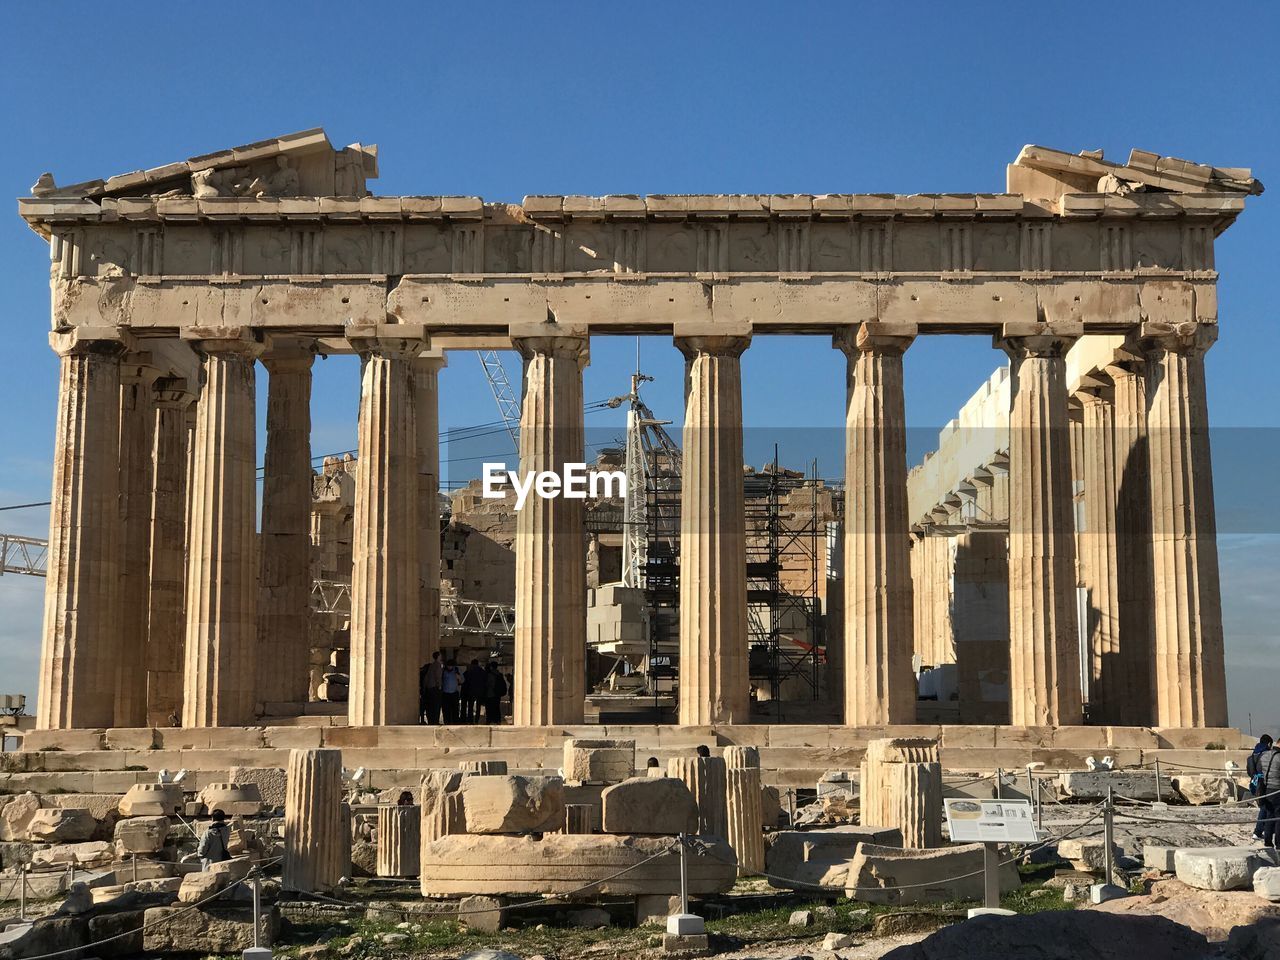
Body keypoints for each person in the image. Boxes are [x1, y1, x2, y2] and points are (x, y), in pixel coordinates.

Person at [1249, 734, 1275, 840]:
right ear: (1269, 743)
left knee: (1264, 807)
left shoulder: (1252, 756)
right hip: (1265, 784)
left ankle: (1262, 831)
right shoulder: (1267, 755)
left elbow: (1250, 771)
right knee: (1265, 808)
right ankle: (1258, 831)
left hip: (1255, 784)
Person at [1257, 737, 1280, 849]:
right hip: (1277, 789)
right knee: (1278, 817)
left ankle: (1267, 841)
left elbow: (1259, 770)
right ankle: (1279, 843)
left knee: (1269, 815)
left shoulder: (1264, 755)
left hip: (1266, 789)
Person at [421, 652, 443, 725]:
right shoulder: (438, 665)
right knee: (436, 706)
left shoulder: (431, 665)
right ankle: (435, 721)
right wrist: (439, 686)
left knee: (430, 706)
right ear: (438, 656)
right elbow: (438, 676)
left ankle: (431, 721)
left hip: (429, 688)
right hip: (435, 688)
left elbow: (426, 678)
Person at [463, 659, 486, 724]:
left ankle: (470, 720)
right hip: (479, 691)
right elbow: (485, 680)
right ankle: (476, 720)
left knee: (470, 707)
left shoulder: (470, 671)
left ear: (472, 664)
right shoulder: (482, 671)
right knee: (478, 707)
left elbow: (465, 677)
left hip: (471, 691)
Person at [441, 658, 462, 724]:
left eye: (451, 666)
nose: (450, 667)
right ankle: (447, 722)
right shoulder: (443, 671)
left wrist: (458, 677)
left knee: (455, 709)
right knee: (446, 709)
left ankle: (455, 722)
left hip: (454, 693)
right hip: (445, 693)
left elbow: (461, 681)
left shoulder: (456, 671)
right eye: (448, 666)